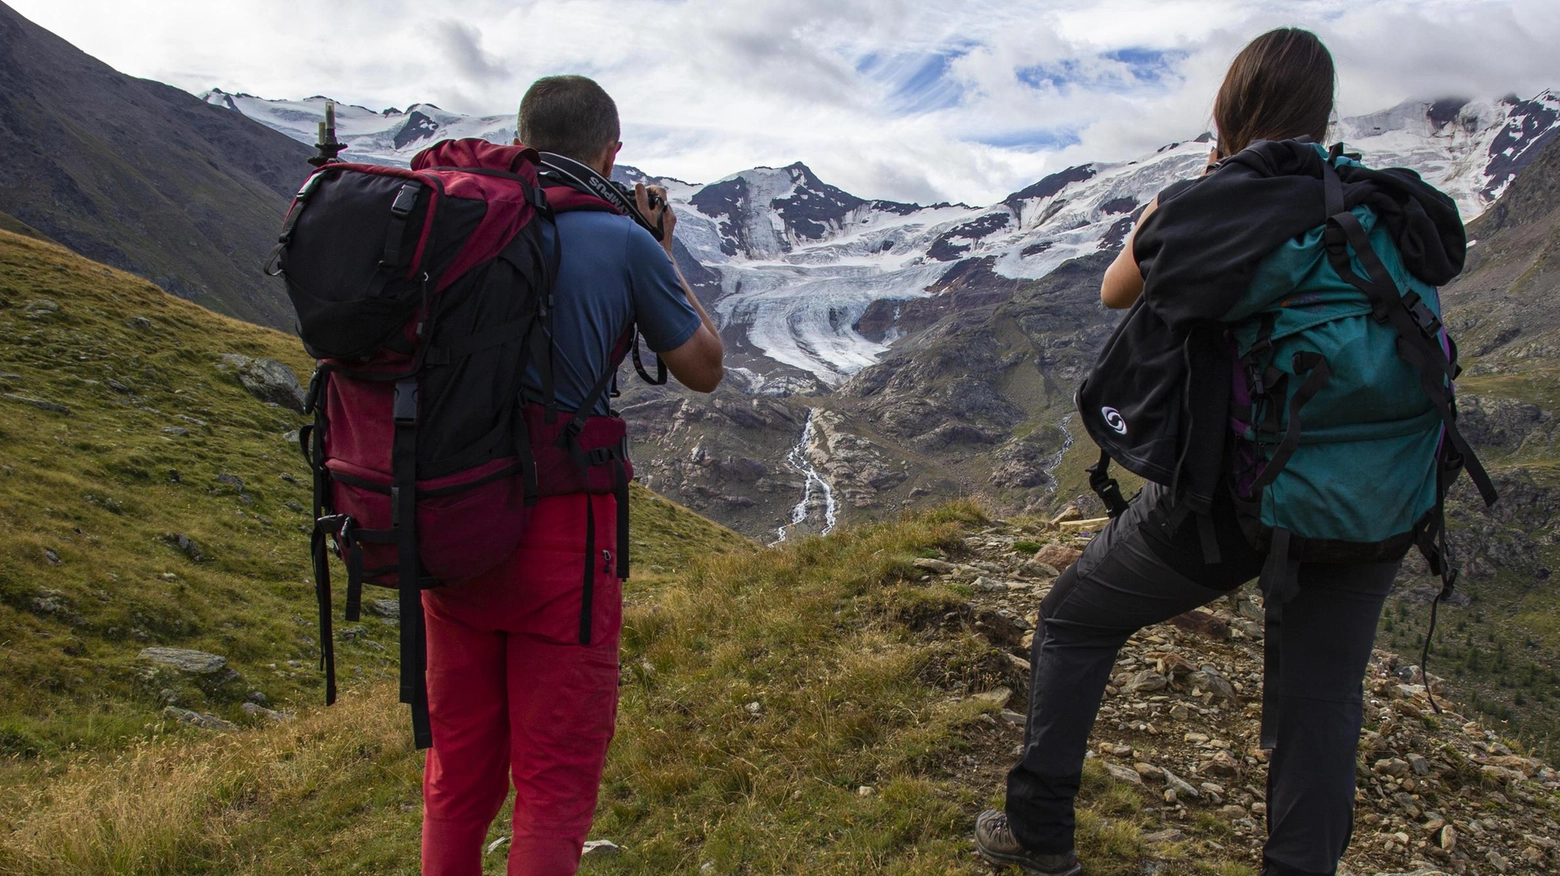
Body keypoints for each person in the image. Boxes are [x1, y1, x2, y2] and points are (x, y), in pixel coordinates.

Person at [976, 29, 1466, 876]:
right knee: (1320, 711)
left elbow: (1116, 288)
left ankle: (1037, 837)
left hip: (1233, 506)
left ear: (1229, 110)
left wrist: (1196, 186)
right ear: (1323, 111)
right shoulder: (1386, 204)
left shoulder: (1217, 201)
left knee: (1074, 619)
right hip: (1382, 500)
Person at [417, 75, 723, 876]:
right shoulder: (618, 239)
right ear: (611, 153)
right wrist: (655, 244)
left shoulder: (453, 222)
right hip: (562, 534)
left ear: (521, 138)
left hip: (451, 518)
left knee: (458, 769)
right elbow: (702, 366)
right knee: (553, 781)